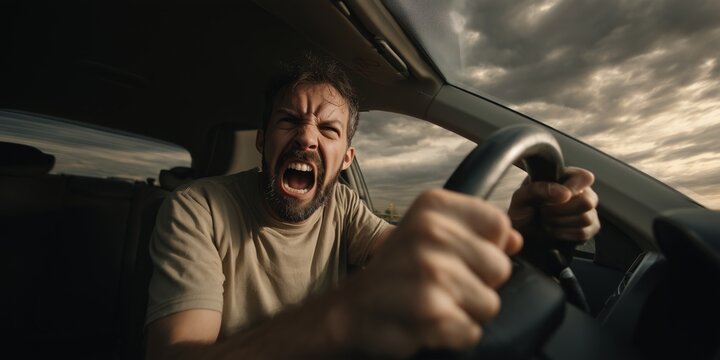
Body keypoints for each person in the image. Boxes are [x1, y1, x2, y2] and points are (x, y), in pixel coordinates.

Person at [144, 53, 600, 359]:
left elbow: (418, 259)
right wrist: (344, 314)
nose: (305, 136)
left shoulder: (341, 205)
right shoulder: (196, 209)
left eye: (328, 129)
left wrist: (512, 226)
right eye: (289, 121)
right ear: (263, 142)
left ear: (346, 160)